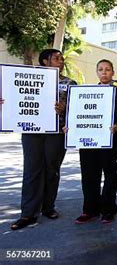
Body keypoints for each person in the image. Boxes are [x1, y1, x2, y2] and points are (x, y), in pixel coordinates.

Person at [9, 49, 77, 230]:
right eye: (56, 58)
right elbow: (14, 97)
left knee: (51, 170)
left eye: (62, 58)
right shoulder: (28, 77)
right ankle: (28, 214)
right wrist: (6, 102)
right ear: (45, 61)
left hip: (56, 133)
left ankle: (48, 207)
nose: (61, 61)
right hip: (32, 132)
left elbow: (78, 111)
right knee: (32, 170)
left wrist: (64, 108)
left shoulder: (69, 83)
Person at [74, 59, 117, 224]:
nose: (104, 72)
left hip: (110, 140)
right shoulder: (85, 93)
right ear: (96, 72)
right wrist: (71, 128)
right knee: (89, 176)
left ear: (113, 72)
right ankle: (90, 210)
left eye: (107, 69)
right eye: (100, 69)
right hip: (88, 141)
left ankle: (108, 210)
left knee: (110, 175)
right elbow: (76, 114)